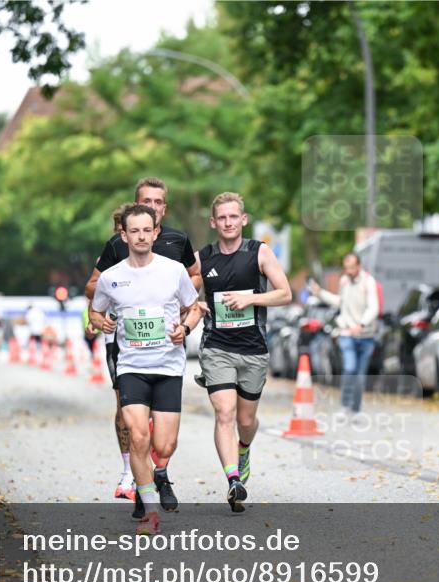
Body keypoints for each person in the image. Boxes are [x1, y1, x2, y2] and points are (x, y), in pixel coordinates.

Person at [85, 178, 202, 512]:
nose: (140, 236)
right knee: (138, 435)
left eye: (146, 230)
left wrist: (185, 326)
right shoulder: (111, 276)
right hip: (132, 364)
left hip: (167, 364)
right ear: (124, 235)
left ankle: (153, 473)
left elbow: (194, 305)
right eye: (133, 231)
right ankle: (147, 504)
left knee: (164, 444)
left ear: (155, 231)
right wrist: (100, 322)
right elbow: (95, 308)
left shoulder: (174, 268)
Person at [197, 192, 292, 513]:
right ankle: (233, 479)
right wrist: (192, 305)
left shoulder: (259, 252)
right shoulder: (203, 257)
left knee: (246, 420)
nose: (227, 222)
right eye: (221, 218)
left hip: (253, 349)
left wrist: (251, 299)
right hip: (217, 348)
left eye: (233, 217)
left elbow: (285, 293)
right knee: (224, 413)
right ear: (213, 222)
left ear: (243, 219)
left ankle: (244, 449)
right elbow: (179, 291)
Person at [309, 253, 380, 414]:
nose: (348, 271)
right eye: (346, 268)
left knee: (360, 376)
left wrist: (361, 324)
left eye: (352, 268)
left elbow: (373, 307)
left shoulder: (368, 282)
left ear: (359, 266)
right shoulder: (344, 281)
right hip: (347, 333)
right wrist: (321, 293)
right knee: (349, 368)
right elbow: (340, 302)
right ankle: (345, 405)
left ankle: (355, 409)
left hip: (366, 335)